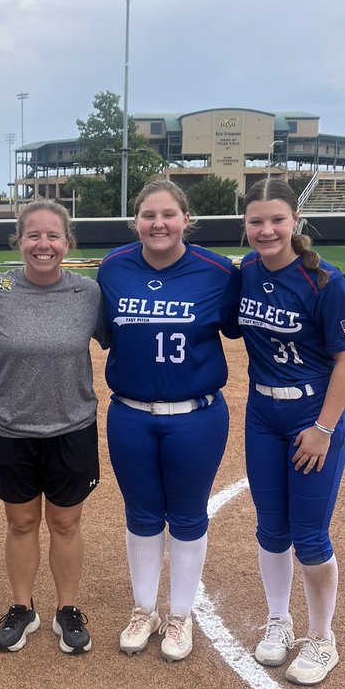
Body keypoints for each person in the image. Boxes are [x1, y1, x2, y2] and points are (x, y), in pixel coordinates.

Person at [97, 180, 241, 662]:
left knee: (187, 515)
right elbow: (100, 332)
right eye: (148, 215)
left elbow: (245, 330)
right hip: (130, 414)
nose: (158, 224)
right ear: (135, 221)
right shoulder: (114, 267)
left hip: (196, 416)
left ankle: (180, 615)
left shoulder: (217, 272)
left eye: (168, 214)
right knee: (140, 514)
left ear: (186, 219)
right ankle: (145, 609)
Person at [239, 177, 345, 685]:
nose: (266, 230)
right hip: (262, 417)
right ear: (244, 225)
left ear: (295, 222)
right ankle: (279, 621)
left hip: (311, 417)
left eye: (276, 220)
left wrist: (323, 427)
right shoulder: (245, 272)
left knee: (309, 536)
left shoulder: (325, 280)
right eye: (256, 221)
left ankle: (321, 638)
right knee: (271, 528)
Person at [0, 200, 102, 655]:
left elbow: (116, 336)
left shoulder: (87, 293)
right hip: (9, 425)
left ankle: (67, 609)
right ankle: (22, 607)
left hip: (72, 425)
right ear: (19, 241)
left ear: (67, 243)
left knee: (66, 522)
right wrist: (23, 359)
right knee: (21, 521)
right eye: (33, 235)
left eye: (52, 236)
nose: (42, 244)